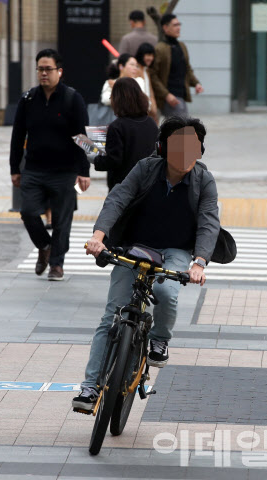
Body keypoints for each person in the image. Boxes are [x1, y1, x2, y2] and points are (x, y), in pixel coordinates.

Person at [73, 116, 219, 411]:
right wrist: (98, 237)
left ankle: (159, 340)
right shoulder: (145, 169)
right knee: (112, 314)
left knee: (166, 294)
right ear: (163, 149)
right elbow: (117, 200)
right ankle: (90, 387)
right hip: (135, 247)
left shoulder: (204, 180)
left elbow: (208, 223)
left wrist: (199, 263)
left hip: (175, 250)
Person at [9, 49, 90, 281]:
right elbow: (17, 136)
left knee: (62, 221)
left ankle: (56, 265)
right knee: (27, 212)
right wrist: (15, 168)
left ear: (59, 71)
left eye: (48, 69)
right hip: (34, 169)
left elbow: (83, 137)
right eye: (40, 69)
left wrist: (84, 172)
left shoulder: (72, 98)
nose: (43, 73)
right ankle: (44, 246)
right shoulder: (28, 99)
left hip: (65, 171)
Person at [90, 77, 159, 192]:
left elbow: (113, 160)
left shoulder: (117, 127)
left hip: (124, 189)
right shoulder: (151, 123)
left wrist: (95, 158)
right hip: (148, 186)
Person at [149, 14, 203, 118]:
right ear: (165, 27)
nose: (178, 27)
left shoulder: (181, 46)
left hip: (181, 96)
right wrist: (166, 95)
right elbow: (153, 75)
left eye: (179, 24)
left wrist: (196, 83)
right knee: (182, 130)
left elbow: (187, 69)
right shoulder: (160, 49)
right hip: (170, 98)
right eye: (175, 25)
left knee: (180, 130)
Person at [135, 42, 159, 122]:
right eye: (148, 55)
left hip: (148, 111)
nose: (151, 58)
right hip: (140, 112)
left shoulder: (146, 70)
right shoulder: (136, 70)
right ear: (141, 55)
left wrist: (153, 109)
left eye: (152, 55)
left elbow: (150, 92)